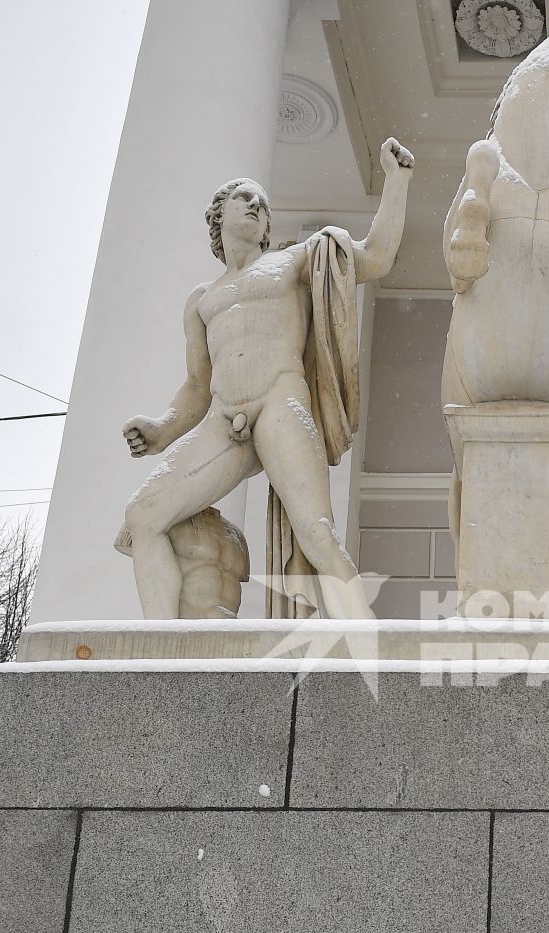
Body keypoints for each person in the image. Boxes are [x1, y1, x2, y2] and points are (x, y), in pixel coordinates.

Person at [119, 138, 416, 620]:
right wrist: (160, 429)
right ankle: (164, 649)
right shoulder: (202, 300)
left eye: (263, 203)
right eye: (245, 199)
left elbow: (376, 257)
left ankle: (364, 639)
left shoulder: (293, 261)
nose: (257, 206)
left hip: (281, 401)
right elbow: (196, 387)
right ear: (219, 216)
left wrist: (396, 182)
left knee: (316, 532)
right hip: (222, 420)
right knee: (144, 515)